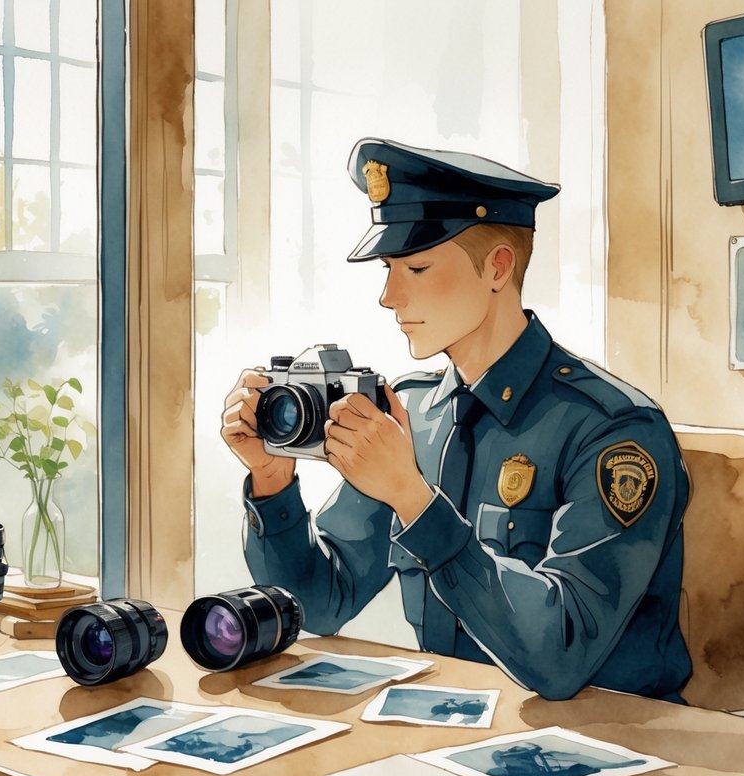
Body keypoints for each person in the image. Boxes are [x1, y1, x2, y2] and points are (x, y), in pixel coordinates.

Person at [220, 137, 692, 702]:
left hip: (614, 744)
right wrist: (271, 481)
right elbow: (319, 603)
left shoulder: (612, 430)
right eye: (389, 269)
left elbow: (560, 658)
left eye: (416, 267)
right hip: (450, 729)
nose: (389, 297)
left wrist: (413, 498)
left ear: (497, 268)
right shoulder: (412, 411)